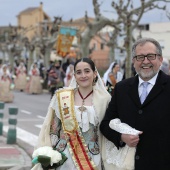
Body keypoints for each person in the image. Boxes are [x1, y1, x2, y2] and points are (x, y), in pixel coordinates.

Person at [100, 37, 170, 170]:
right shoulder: (121, 88)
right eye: (140, 57)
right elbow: (105, 125)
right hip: (127, 165)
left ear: (160, 59)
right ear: (133, 61)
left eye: (151, 56)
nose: (145, 61)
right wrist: (121, 137)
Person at [31, 58, 111, 170]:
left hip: (92, 157)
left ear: (95, 73)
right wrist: (49, 152)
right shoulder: (62, 96)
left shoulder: (105, 99)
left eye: (87, 71)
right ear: (74, 75)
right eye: (79, 72)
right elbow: (54, 130)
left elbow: (106, 131)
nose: (83, 75)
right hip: (64, 156)